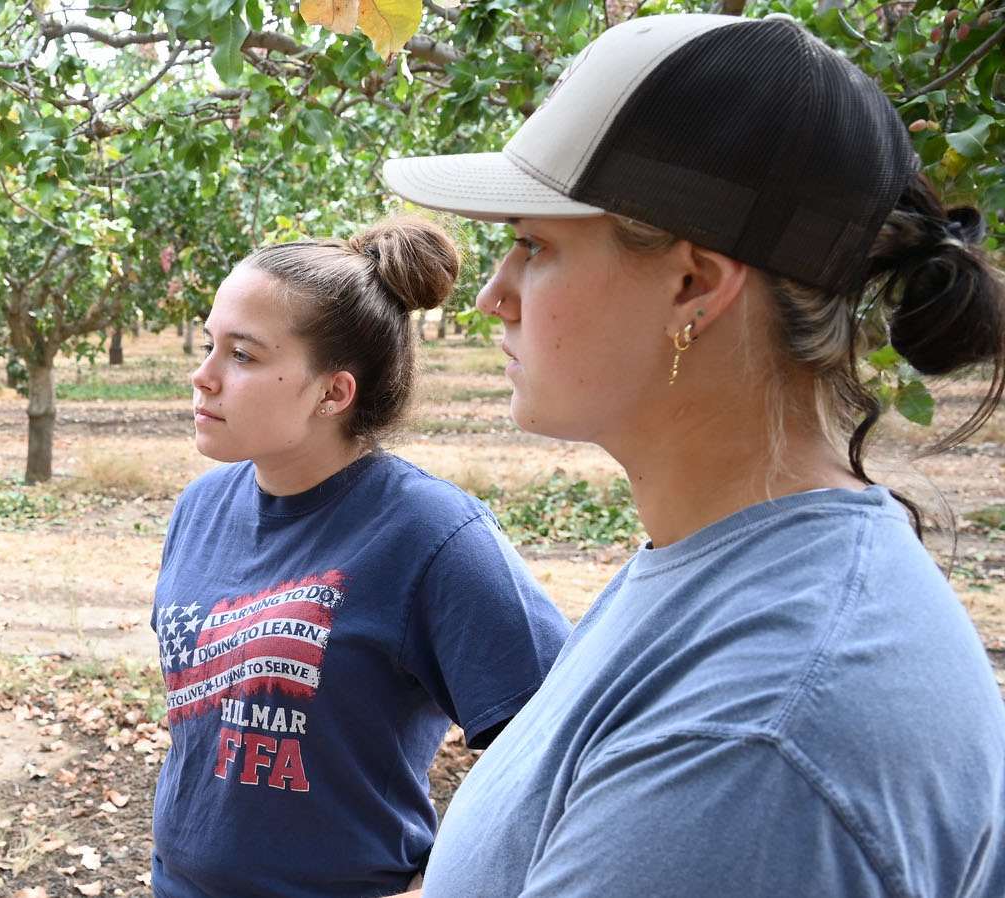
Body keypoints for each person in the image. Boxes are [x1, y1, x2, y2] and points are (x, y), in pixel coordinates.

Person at [380, 12, 1005, 897]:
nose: (492, 296)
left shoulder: (751, 741)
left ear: (693, 284)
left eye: (533, 245)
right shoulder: (723, 565)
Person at [150, 217, 571, 898]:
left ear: (333, 392)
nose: (203, 377)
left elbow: (562, 743)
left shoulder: (430, 533)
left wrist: (438, 887)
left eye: (243, 355)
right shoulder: (200, 508)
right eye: (207, 345)